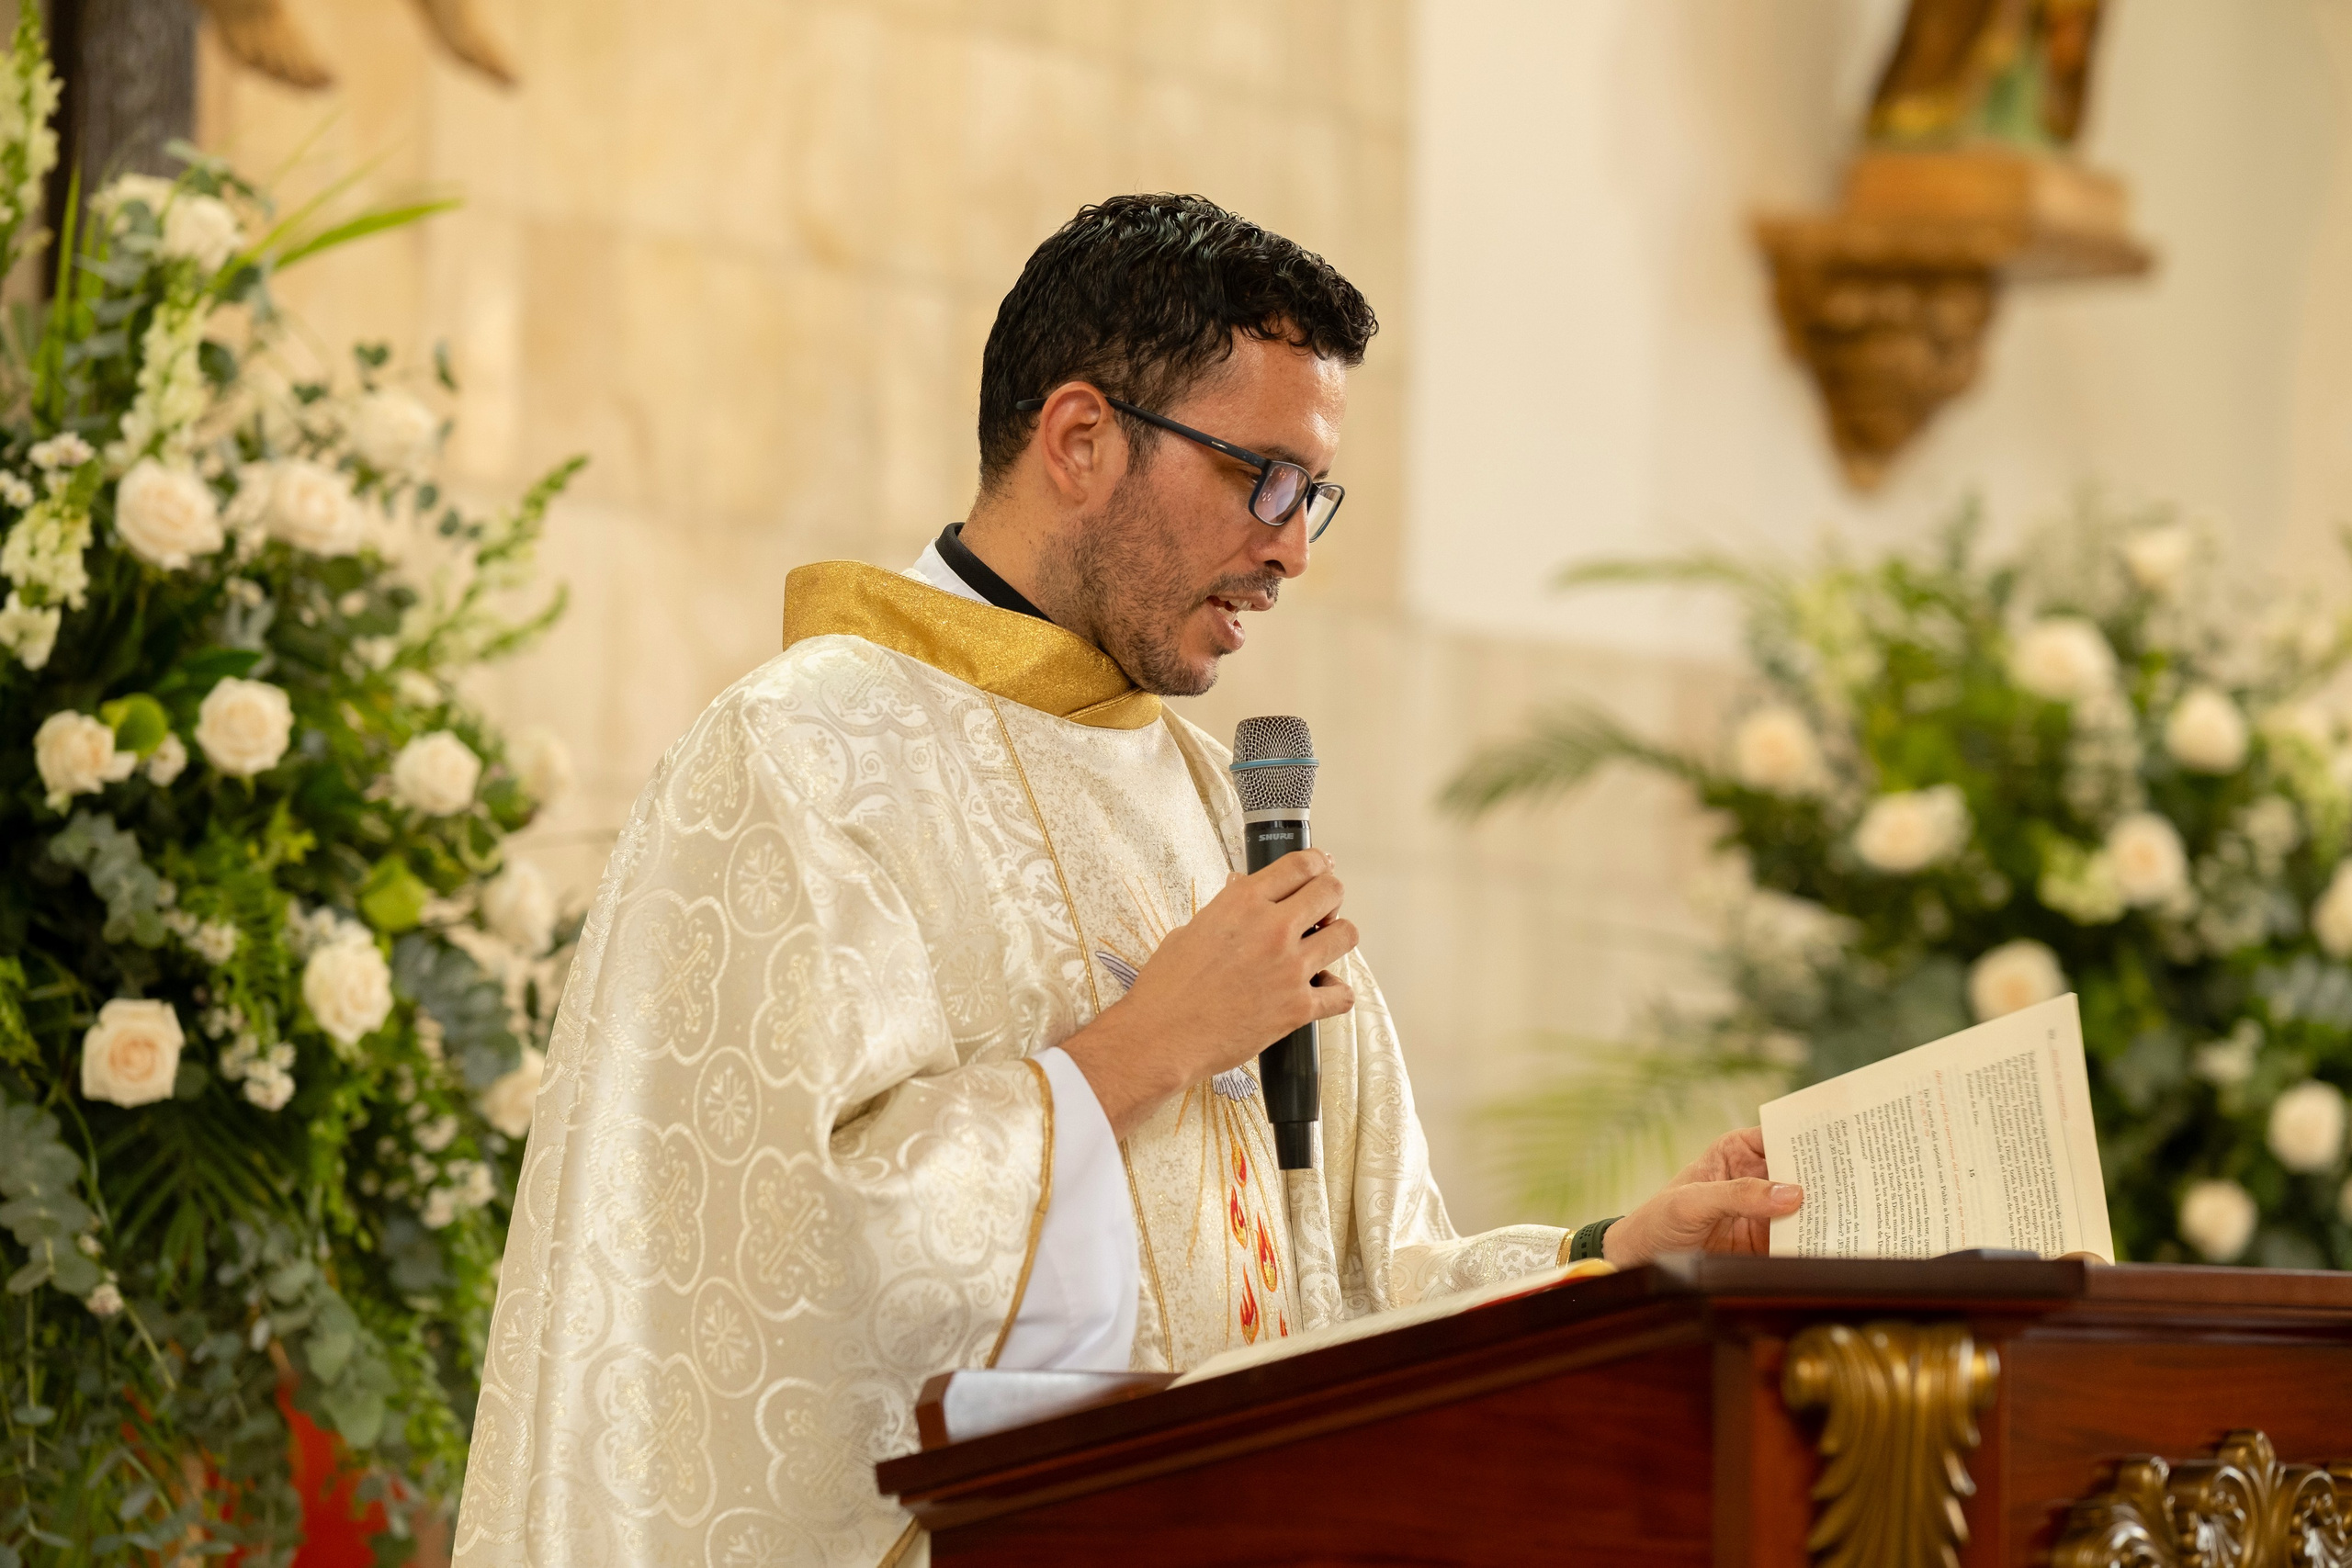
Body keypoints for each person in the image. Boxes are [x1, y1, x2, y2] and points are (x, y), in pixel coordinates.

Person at [451, 194, 1802, 1568]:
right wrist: (1148, 1047)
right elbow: (755, 1296)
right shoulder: (798, 760)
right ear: (1083, 438)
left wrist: (1610, 1258)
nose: (1293, 549)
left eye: (1315, 493)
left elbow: (1351, 1291)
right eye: (1261, 478)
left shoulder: (1223, 804)